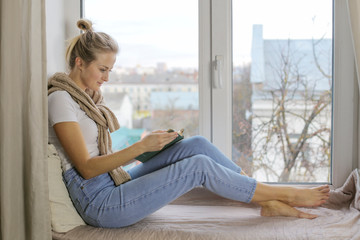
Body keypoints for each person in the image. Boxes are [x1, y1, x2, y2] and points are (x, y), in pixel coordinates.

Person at [48, 19, 330, 228]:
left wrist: (153, 144)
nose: (107, 78)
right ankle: (284, 194)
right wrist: (139, 147)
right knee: (198, 167)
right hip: (99, 201)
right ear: (79, 62)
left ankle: (265, 200)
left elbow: (99, 147)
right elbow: (85, 168)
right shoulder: (61, 99)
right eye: (103, 69)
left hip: (111, 181)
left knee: (196, 145)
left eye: (110, 70)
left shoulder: (86, 98)